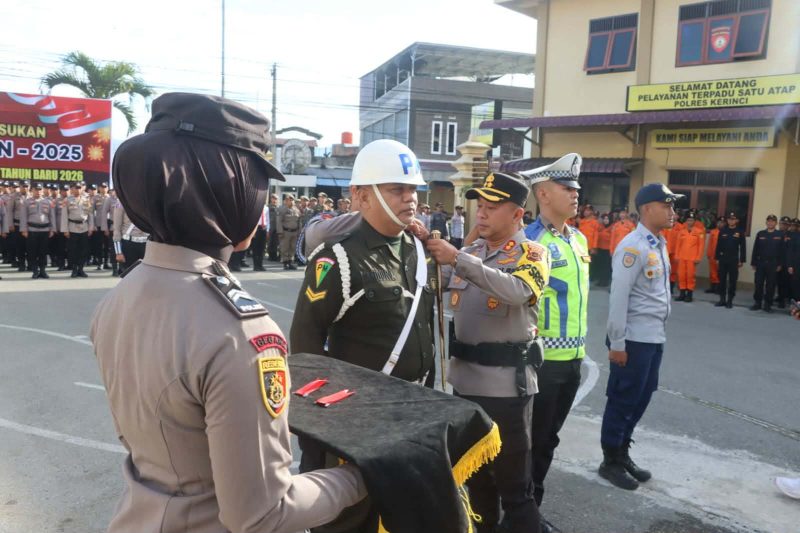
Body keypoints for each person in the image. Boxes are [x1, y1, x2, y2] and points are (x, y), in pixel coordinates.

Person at [90, 92, 366, 533]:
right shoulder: (239, 332)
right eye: (256, 182)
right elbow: (261, 513)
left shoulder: (122, 295)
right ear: (228, 191)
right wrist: (364, 477)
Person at [290, 139, 435, 532]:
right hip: (352, 427)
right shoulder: (336, 259)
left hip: (409, 419)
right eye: (396, 189)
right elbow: (303, 352)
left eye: (412, 190)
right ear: (360, 195)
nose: (410, 199)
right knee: (350, 522)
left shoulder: (418, 251)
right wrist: (318, 436)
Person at [426, 170, 549, 533]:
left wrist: (457, 259)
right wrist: (427, 250)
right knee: (476, 486)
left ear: (517, 214)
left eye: (492, 207)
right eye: (480, 205)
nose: (481, 213)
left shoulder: (533, 253)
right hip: (465, 386)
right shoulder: (470, 252)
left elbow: (515, 291)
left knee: (515, 491)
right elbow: (434, 285)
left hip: (507, 392)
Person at [521, 153, 588, 533]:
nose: (575, 195)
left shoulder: (578, 239)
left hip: (573, 359)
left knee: (548, 442)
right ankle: (520, 515)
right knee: (531, 443)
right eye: (567, 188)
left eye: (576, 189)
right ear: (543, 194)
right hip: (542, 362)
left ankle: (530, 510)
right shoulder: (531, 241)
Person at [600, 183, 682, 491]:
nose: (673, 212)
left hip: (652, 337)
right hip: (632, 340)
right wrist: (617, 342)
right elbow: (618, 298)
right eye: (667, 206)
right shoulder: (632, 247)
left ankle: (622, 453)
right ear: (648, 209)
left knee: (641, 398)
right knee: (622, 399)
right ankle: (609, 460)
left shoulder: (657, 243)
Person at [750, 214, 785, 313]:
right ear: (766, 222)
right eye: (769, 221)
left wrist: (780, 264)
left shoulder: (780, 235)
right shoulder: (760, 234)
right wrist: (753, 262)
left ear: (776, 223)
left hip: (773, 264)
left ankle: (768, 304)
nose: (770, 223)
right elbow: (755, 249)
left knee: (771, 285)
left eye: (773, 221)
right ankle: (757, 303)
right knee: (758, 284)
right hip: (760, 263)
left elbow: (783, 251)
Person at [19, 183, 56, 279]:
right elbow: (23, 217)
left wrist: (52, 229)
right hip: (32, 230)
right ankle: (35, 270)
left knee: (43, 252)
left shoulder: (48, 202)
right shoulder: (26, 202)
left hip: (45, 230)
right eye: (36, 189)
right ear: (32, 190)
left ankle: (43, 270)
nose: (38, 191)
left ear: (43, 190)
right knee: (32, 252)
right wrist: (24, 230)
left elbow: (52, 216)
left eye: (40, 189)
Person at [714, 212, 747, 309]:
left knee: (733, 281)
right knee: (722, 280)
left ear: (736, 220)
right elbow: (718, 246)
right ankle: (722, 299)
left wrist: (742, 260)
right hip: (723, 259)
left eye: (733, 219)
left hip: (734, 259)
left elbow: (743, 247)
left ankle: (730, 300)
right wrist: (717, 258)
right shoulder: (723, 231)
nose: (730, 221)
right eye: (729, 219)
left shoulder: (740, 232)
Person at [62, 182, 94, 278]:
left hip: (84, 227)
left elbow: (90, 215)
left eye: (80, 188)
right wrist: (65, 230)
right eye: (76, 188)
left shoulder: (86, 200)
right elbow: (64, 216)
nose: (78, 189)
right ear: (72, 189)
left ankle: (81, 269)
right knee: (73, 250)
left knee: (83, 250)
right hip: (72, 227)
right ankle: (74, 269)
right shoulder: (67, 200)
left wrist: (91, 227)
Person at [674, 210, 705, 302]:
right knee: (681, 275)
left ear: (694, 221)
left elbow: (701, 246)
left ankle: (689, 294)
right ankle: (682, 293)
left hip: (692, 258)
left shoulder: (699, 232)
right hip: (682, 257)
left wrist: (698, 257)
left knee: (690, 276)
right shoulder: (681, 232)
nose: (690, 222)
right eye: (688, 220)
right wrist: (676, 255)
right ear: (686, 221)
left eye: (691, 220)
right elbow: (678, 245)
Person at [112, 197, 149, 273]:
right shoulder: (121, 202)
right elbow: (117, 230)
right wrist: (118, 252)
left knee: (146, 275)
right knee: (129, 275)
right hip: (129, 244)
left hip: (147, 243)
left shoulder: (150, 201)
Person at [276, 193, 301, 270]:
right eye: (287, 199)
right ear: (285, 201)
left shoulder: (296, 210)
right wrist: (280, 232)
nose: (289, 201)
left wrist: (299, 232)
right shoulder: (281, 209)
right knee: (285, 248)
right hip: (285, 232)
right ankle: (285, 263)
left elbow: (299, 221)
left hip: (294, 232)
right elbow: (279, 221)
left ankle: (290, 262)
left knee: (292, 248)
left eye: (291, 199)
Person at [578, 205, 600, 284]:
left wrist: (594, 247)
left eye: (588, 210)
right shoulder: (582, 221)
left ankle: (588, 278)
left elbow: (596, 236)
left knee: (588, 263)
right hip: (581, 246)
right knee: (581, 262)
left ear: (591, 212)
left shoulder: (594, 222)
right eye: (585, 210)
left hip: (589, 247)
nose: (586, 212)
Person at [705, 216, 724, 294]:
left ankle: (719, 288)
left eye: (722, 223)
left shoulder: (725, 232)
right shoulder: (713, 231)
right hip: (712, 254)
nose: (720, 224)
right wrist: (708, 253)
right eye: (719, 222)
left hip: (721, 256)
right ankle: (712, 287)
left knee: (720, 272)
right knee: (712, 271)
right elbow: (710, 243)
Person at [595, 214, 613, 287]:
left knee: (606, 266)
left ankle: (605, 281)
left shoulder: (612, 228)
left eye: (607, 219)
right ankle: (600, 280)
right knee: (600, 265)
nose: (606, 220)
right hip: (600, 248)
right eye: (604, 219)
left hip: (608, 250)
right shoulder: (600, 227)